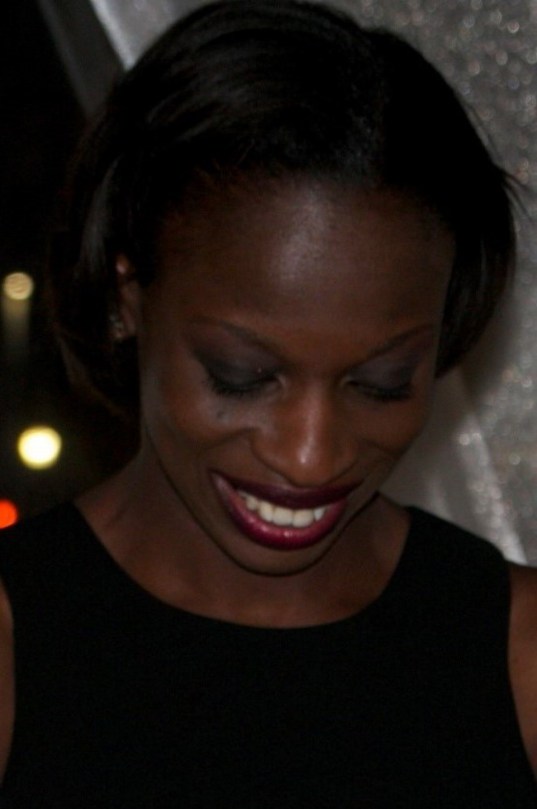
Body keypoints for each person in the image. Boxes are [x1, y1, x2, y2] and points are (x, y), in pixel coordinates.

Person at [0, 0, 536, 805]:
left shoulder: (518, 653)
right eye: (241, 374)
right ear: (126, 298)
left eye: (381, 381)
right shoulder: (17, 646)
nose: (310, 454)